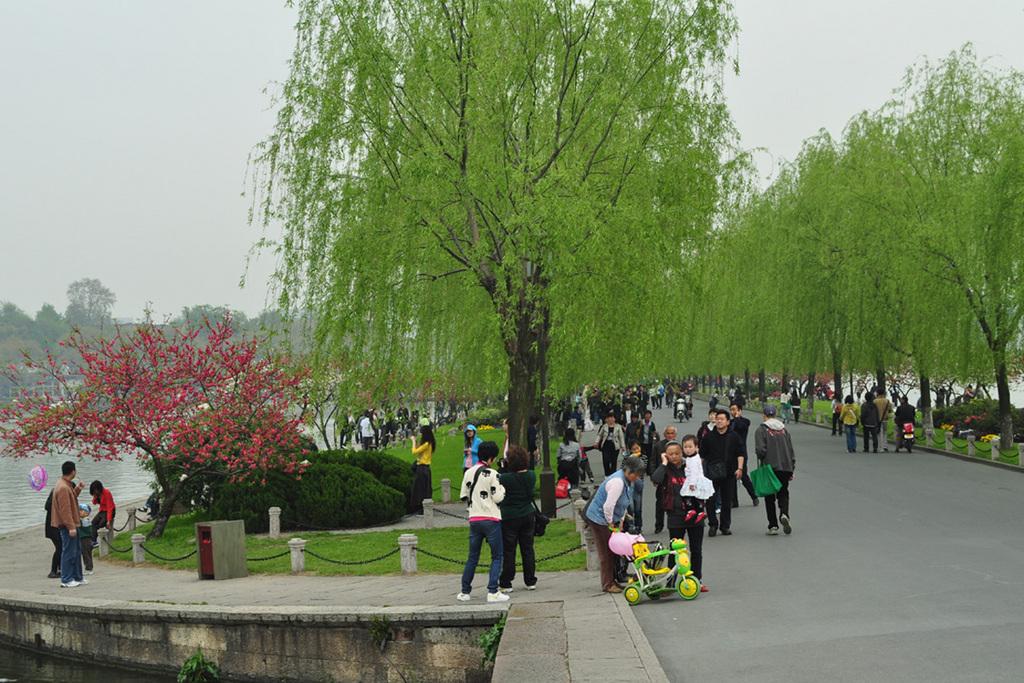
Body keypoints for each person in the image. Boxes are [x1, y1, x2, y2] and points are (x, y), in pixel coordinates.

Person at [651, 438, 707, 591]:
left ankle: (696, 580)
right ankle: (670, 583)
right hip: (675, 515)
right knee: (674, 551)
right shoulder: (666, 469)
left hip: (694, 514)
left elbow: (703, 482)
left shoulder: (691, 466)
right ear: (666, 455)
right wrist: (663, 463)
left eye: (677, 453)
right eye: (670, 454)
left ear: (682, 452)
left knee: (696, 550)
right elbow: (655, 479)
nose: (674, 456)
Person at [584, 455, 645, 594]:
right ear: (629, 472)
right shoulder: (618, 482)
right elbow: (608, 506)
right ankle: (607, 584)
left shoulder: (627, 481)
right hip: (599, 519)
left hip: (609, 519)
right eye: (636, 475)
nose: (637, 478)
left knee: (614, 550)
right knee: (606, 552)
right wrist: (611, 523)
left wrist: (621, 520)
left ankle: (613, 580)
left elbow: (623, 503)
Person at [457, 441, 508, 603]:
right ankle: (492, 591)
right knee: (497, 556)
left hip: (474, 519)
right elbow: (498, 497)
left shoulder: (468, 472)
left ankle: (465, 591)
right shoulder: (493, 474)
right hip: (491, 518)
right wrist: (503, 489)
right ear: (492, 458)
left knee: (473, 557)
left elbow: (464, 495)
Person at [699, 407, 745, 537]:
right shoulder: (708, 437)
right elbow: (702, 456)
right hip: (711, 474)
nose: (719, 421)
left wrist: (740, 468)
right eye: (717, 419)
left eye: (722, 419)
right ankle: (713, 525)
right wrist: (699, 473)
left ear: (727, 422)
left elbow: (740, 453)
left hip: (729, 472)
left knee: (726, 500)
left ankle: (725, 526)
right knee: (711, 500)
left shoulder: (734, 436)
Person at [498, 446, 537, 593]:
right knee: (527, 548)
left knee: (509, 550)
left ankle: (507, 581)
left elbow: (500, 486)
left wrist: (503, 468)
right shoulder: (531, 475)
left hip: (509, 516)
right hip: (527, 514)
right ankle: (530, 580)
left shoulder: (505, 478)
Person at [754, 405, 796, 535]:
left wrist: (761, 456)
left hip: (770, 467)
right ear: (775, 414)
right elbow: (790, 449)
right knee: (783, 492)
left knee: (769, 496)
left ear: (764, 415)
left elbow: (760, 450)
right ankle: (784, 513)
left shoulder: (761, 430)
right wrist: (792, 467)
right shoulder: (784, 430)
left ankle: (773, 526)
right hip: (786, 466)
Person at [52, 461, 85, 588]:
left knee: (76, 551)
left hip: (72, 524)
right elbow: (65, 510)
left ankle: (77, 577)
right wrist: (71, 527)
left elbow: (71, 498)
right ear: (73, 471)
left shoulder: (66, 485)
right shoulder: (63, 487)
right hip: (67, 526)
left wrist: (78, 489)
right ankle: (66, 579)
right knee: (68, 552)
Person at [728, 402, 759, 507]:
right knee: (731, 477)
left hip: (741, 452)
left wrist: (737, 418)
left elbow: (741, 428)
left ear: (740, 410)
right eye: (731, 410)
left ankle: (754, 496)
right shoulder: (730, 422)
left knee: (743, 475)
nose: (733, 412)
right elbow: (730, 430)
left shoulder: (746, 421)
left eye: (735, 409)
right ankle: (734, 501)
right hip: (730, 453)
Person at [650, 425, 679, 534]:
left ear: (675, 435)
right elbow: (653, 461)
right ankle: (659, 525)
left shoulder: (678, 446)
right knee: (660, 503)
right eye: (668, 433)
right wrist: (654, 476)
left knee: (676, 502)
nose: (670, 435)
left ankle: (676, 523)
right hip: (662, 478)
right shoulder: (658, 445)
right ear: (664, 434)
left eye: (672, 433)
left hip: (676, 478)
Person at [409, 424, 435, 515]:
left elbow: (414, 451)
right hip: (425, 468)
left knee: (420, 489)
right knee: (424, 488)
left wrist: (413, 441)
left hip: (422, 467)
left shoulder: (427, 444)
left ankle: (421, 508)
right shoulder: (429, 443)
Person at [625, 441, 645, 533]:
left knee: (638, 506)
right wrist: (630, 460)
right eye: (634, 449)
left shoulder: (643, 457)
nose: (636, 450)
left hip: (638, 482)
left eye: (637, 448)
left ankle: (639, 526)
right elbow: (623, 469)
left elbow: (644, 468)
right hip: (629, 482)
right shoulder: (627, 458)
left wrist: (637, 460)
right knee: (630, 506)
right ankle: (631, 525)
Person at [43, 490, 62, 579]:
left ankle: (60, 568)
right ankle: (53, 570)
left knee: (61, 548)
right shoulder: (54, 497)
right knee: (60, 548)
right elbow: (47, 506)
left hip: (54, 526)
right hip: (52, 527)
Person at [78, 503, 94, 575]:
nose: (79, 512)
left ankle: (89, 568)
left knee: (86, 553)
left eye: (81, 511)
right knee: (86, 553)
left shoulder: (85, 520)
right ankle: (88, 567)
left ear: (87, 513)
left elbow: (84, 528)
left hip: (85, 539)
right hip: (84, 538)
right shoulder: (84, 519)